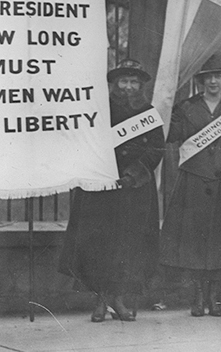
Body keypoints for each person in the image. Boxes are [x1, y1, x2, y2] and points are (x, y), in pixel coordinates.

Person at [58, 59, 163, 322]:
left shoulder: (149, 113)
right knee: (99, 244)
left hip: (134, 188)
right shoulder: (98, 111)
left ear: (140, 85)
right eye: (123, 82)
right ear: (115, 84)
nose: (128, 87)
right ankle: (101, 300)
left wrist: (133, 174)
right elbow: (85, 143)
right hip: (101, 188)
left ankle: (119, 298)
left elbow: (156, 149)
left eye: (133, 82)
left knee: (128, 245)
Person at [160, 54, 221, 317]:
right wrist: (165, 109)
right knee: (196, 241)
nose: (213, 81)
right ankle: (198, 296)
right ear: (200, 81)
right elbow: (171, 136)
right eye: (208, 76)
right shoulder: (186, 109)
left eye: (218, 76)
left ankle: (215, 297)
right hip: (195, 179)